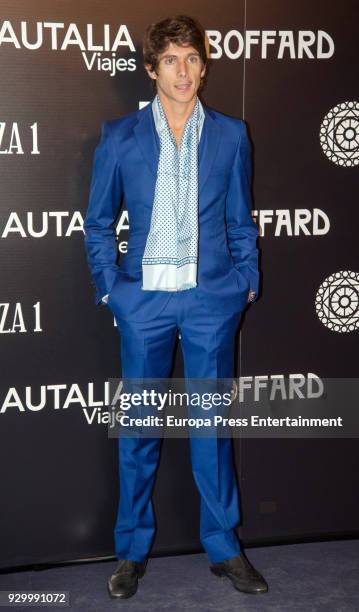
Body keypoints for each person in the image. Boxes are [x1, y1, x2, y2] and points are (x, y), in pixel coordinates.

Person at [84, 14, 267, 600]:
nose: (182, 70)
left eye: (191, 58)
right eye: (170, 60)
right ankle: (131, 551)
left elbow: (241, 221)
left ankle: (224, 548)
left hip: (212, 301)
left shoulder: (232, 135)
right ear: (151, 70)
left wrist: (245, 282)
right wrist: (114, 290)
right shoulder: (119, 136)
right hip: (145, 305)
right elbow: (96, 225)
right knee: (139, 428)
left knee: (211, 430)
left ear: (204, 67)